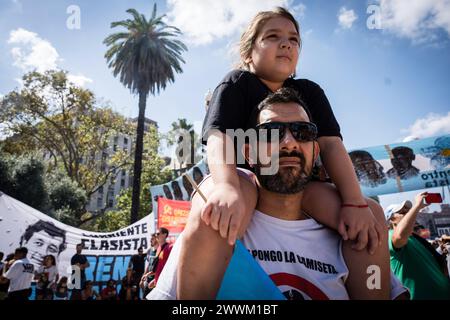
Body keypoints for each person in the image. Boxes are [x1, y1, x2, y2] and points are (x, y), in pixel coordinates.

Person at [178, 7, 389, 298]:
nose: (286, 43)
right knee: (215, 213)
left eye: (294, 39)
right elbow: (219, 137)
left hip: (304, 184)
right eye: (273, 36)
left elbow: (330, 145)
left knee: (372, 217)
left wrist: (354, 202)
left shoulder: (310, 91)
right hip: (247, 178)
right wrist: (226, 187)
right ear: (249, 52)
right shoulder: (235, 84)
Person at [149, 88, 395, 300]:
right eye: (271, 132)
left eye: (303, 132)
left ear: (315, 150)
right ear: (249, 153)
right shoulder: (211, 225)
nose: (289, 142)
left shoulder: (359, 233)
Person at [385, 193, 450, 299]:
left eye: (408, 211)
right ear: (391, 220)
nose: (407, 213)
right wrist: (416, 206)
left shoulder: (415, 238)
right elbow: (399, 236)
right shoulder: (390, 235)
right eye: (402, 212)